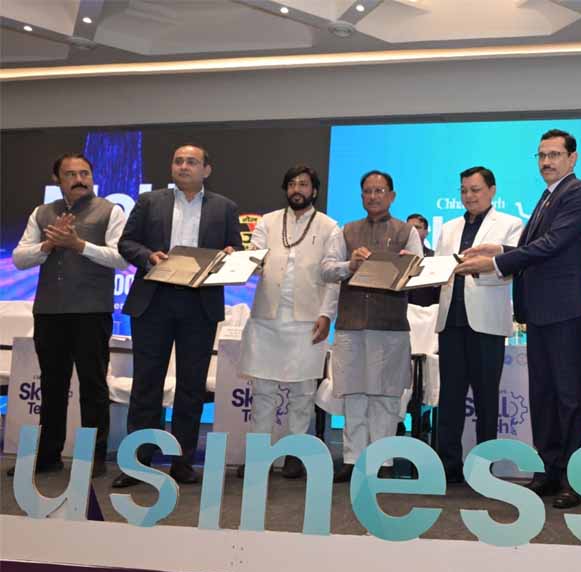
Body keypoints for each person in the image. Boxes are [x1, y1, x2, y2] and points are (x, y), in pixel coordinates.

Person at [455, 129, 581, 509]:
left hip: (563, 308)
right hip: (540, 311)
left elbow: (553, 245)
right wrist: (500, 248)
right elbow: (537, 246)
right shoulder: (548, 196)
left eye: (554, 154)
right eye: (541, 155)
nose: (546, 162)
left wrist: (497, 261)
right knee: (543, 394)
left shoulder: (578, 192)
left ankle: (574, 478)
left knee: (568, 395)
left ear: (572, 158)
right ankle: (549, 471)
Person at [113, 144, 242, 487]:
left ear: (206, 170)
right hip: (153, 301)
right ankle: (137, 463)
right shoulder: (149, 202)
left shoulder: (225, 207)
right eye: (178, 161)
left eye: (192, 162)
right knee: (146, 384)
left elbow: (236, 250)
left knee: (191, 386)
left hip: (199, 305)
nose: (184, 166)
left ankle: (182, 462)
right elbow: (126, 243)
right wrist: (148, 256)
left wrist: (229, 255)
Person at [9, 153, 128, 478]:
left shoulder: (111, 210)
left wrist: (78, 244)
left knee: (93, 386)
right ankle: (49, 455)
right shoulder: (42, 213)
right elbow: (19, 258)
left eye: (85, 173)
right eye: (71, 174)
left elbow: (121, 258)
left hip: (91, 311)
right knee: (51, 385)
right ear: (57, 179)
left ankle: (93, 458)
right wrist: (47, 246)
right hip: (49, 311)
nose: (79, 179)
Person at [237, 165, 340, 479]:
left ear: (314, 191)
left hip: (308, 320)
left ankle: (296, 455)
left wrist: (327, 315)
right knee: (263, 394)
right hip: (267, 318)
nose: (298, 189)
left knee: (302, 395)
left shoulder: (329, 226)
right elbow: (254, 261)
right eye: (292, 184)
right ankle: (258, 457)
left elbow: (334, 278)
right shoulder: (267, 222)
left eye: (304, 184)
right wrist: (239, 261)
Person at [321, 170, 423, 483]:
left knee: (386, 395)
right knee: (353, 393)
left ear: (392, 196)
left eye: (380, 190)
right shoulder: (346, 231)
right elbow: (326, 270)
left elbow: (420, 271)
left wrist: (403, 265)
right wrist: (349, 265)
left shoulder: (406, 231)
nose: (373, 196)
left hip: (390, 326)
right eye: (368, 191)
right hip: (350, 325)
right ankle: (353, 459)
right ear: (361, 196)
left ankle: (384, 459)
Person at [435, 166, 524, 483]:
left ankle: (484, 466)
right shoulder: (448, 228)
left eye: (475, 189)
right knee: (450, 397)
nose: (469, 196)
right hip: (451, 321)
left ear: (492, 190)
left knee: (487, 398)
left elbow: (512, 269)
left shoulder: (511, 224)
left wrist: (476, 268)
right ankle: (448, 465)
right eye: (464, 190)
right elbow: (440, 270)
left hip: (486, 323)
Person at [406, 213, 440, 307]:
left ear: (426, 232)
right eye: (409, 227)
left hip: (425, 309)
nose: (413, 230)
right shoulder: (397, 255)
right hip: (400, 306)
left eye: (417, 227)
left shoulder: (434, 257)